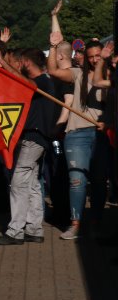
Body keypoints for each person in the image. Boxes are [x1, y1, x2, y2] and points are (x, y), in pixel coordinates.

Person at [0, 46, 59, 245]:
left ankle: (15, 231)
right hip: (37, 138)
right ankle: (34, 229)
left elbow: (25, 83)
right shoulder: (44, 81)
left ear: (27, 62)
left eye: (20, 62)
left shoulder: (42, 81)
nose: (18, 66)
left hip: (35, 138)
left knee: (19, 183)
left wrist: (3, 62)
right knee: (32, 184)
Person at [48, 20, 107, 240]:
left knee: (99, 181)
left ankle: (96, 222)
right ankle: (75, 224)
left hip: (101, 135)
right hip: (77, 135)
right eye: (91, 56)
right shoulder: (77, 74)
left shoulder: (110, 78)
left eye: (98, 56)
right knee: (77, 181)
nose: (94, 60)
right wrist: (53, 47)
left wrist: (109, 122)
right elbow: (53, 70)